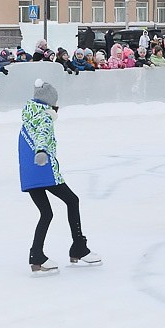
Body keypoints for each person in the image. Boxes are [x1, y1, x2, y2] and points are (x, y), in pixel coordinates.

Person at [19, 79, 101, 273]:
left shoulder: (28, 117)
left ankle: (36, 255)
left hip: (29, 174)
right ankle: (79, 247)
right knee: (72, 201)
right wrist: (41, 151)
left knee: (46, 213)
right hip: (44, 170)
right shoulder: (44, 117)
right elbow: (42, 135)